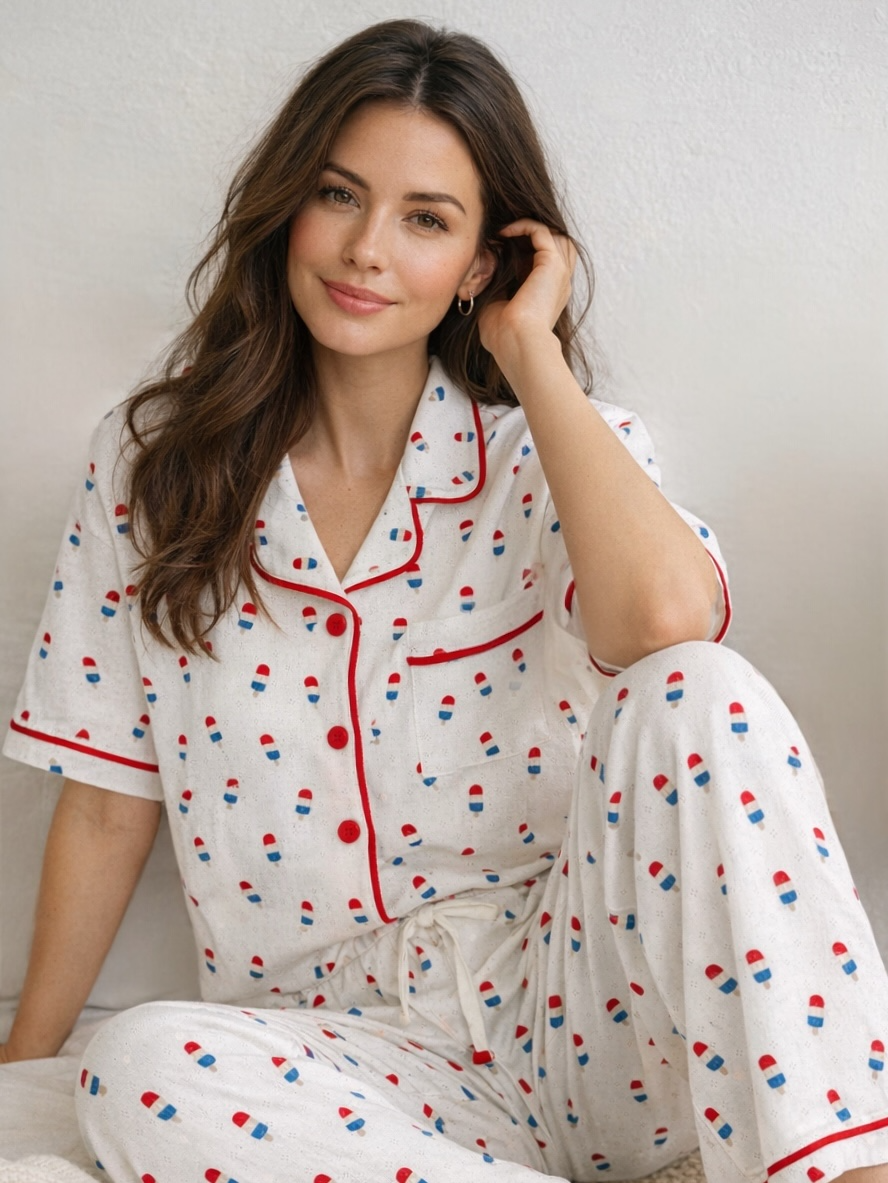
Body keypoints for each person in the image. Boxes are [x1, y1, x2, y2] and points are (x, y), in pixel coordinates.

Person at [1, 18, 886, 1183]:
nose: (368, 248)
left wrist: (532, 354)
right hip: (349, 1065)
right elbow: (112, 803)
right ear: (288, 209)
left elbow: (671, 626)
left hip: (593, 1019)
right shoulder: (152, 472)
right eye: (339, 195)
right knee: (142, 1068)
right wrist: (25, 1066)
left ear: (482, 264)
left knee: (697, 690)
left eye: (427, 220)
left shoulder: (554, 457)